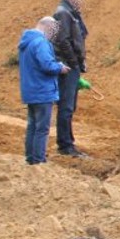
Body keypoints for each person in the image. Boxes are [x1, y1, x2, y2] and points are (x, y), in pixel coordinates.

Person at [19, 17, 70, 164]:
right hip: (42, 91)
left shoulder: (26, 42)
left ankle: (31, 158)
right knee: (42, 128)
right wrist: (60, 67)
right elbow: (47, 65)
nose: (54, 34)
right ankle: (39, 160)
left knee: (32, 126)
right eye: (53, 29)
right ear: (48, 27)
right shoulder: (41, 43)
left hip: (31, 91)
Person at [52, 0, 89, 157]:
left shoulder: (69, 13)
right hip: (67, 67)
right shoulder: (63, 13)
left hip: (71, 66)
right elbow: (62, 40)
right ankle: (66, 145)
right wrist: (74, 63)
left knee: (68, 106)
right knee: (66, 107)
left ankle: (67, 143)